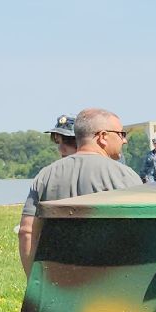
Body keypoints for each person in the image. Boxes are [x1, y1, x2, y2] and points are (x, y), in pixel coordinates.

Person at [18, 107, 141, 271]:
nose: (124, 140)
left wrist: (34, 285)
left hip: (58, 284)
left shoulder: (44, 176)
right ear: (102, 137)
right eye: (121, 134)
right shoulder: (124, 176)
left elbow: (27, 232)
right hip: (112, 284)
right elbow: (142, 235)